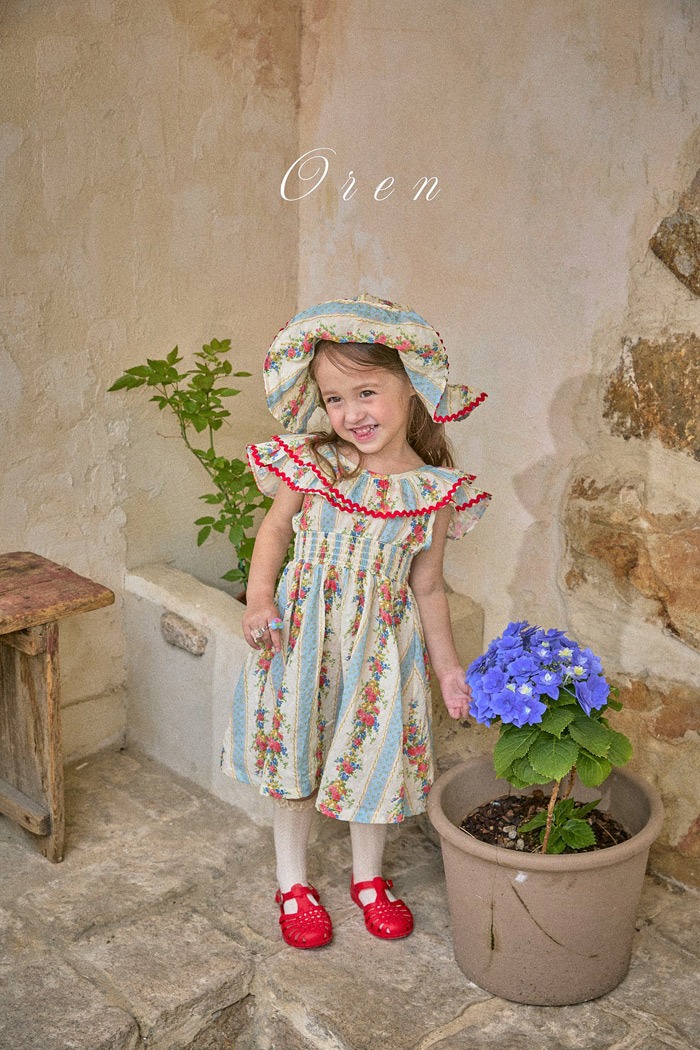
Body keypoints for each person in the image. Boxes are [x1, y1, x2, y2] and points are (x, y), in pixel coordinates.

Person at [221, 293, 490, 949]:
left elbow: (428, 586)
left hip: (380, 652)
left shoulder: (432, 492)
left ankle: (368, 879)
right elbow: (274, 532)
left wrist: (448, 669)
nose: (350, 413)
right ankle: (292, 882)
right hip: (302, 639)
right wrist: (259, 600)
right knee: (296, 753)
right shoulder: (317, 463)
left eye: (366, 392)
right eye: (335, 399)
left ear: (410, 386)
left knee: (374, 760)